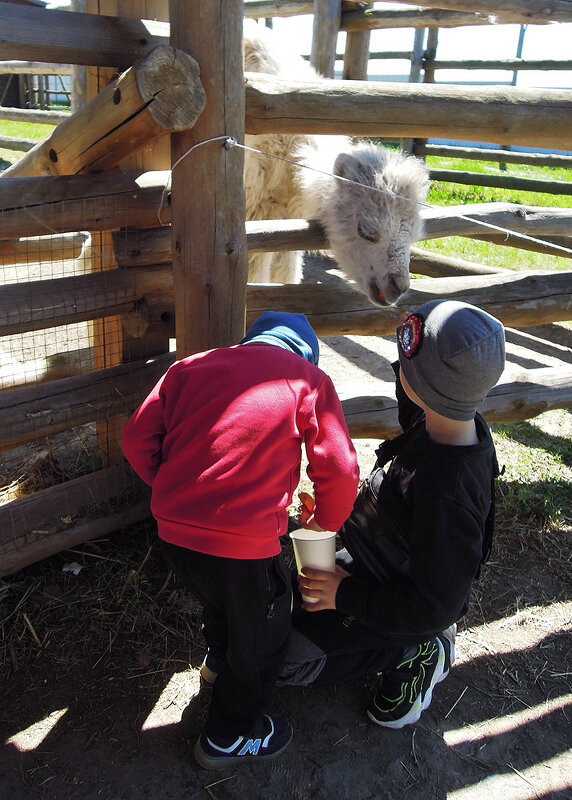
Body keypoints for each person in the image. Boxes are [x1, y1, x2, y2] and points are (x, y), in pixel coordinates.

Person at [121, 311, 359, 768]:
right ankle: (229, 734)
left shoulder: (189, 367)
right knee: (265, 634)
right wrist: (323, 523)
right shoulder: (308, 380)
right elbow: (342, 469)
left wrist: (172, 490)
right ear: (306, 355)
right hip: (243, 547)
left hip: (174, 535)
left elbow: (136, 438)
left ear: (250, 342)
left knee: (218, 598)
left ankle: (216, 660)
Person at [280, 299, 505, 730]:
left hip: (414, 608)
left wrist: (343, 595)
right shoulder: (438, 421)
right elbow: (415, 388)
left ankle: (423, 652)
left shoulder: (449, 494)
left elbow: (438, 604)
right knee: (283, 604)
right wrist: (340, 525)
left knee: (285, 663)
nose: (398, 369)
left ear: (426, 387)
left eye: (405, 364)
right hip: (379, 569)